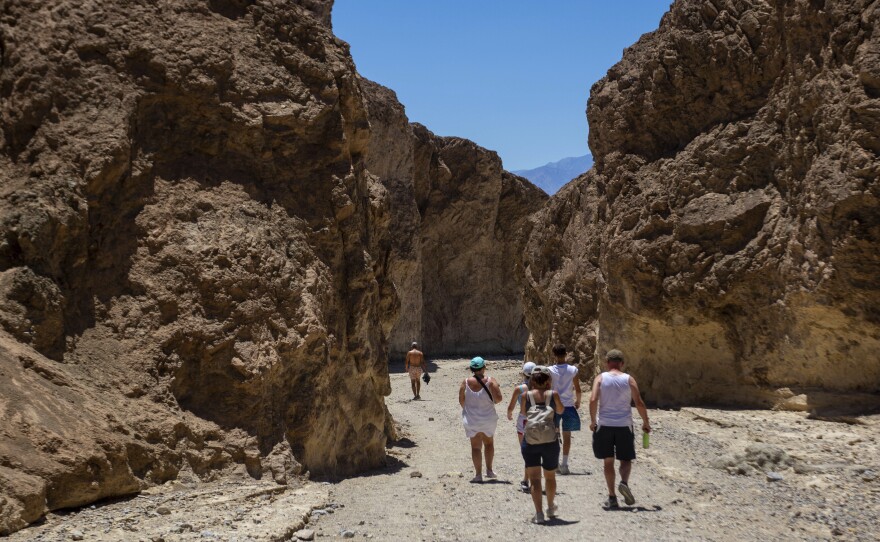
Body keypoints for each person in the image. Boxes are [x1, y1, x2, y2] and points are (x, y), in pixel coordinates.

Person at [588, 349, 651, 509]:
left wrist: (593, 421)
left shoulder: (600, 378)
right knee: (625, 459)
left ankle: (612, 497)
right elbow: (639, 402)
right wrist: (646, 422)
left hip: (604, 425)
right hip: (624, 425)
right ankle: (624, 482)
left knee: (608, 461)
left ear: (607, 363)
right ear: (622, 363)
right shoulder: (629, 379)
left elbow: (593, 399)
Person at [519, 365, 564, 524]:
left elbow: (523, 413)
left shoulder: (526, 395)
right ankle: (550, 507)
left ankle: (539, 514)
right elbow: (560, 411)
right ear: (548, 380)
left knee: (535, 479)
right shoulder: (553, 394)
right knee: (550, 477)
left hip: (531, 441)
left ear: (532, 380)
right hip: (550, 441)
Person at [459, 356, 502, 482]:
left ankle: (478, 475)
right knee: (489, 443)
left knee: (475, 447)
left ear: (471, 369)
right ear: (484, 367)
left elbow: (461, 400)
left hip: (472, 419)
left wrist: (469, 410)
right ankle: (489, 471)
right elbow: (499, 398)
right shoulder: (491, 380)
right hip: (488, 418)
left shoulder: (465, 382)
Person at [548, 344, 582, 474]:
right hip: (568, 406)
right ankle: (565, 464)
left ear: (554, 355)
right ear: (566, 354)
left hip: (555, 405)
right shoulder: (573, 370)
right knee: (567, 435)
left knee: (553, 434)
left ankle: (555, 463)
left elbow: (547, 386)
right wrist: (577, 402)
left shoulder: (550, 370)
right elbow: (578, 389)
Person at [506, 361, 536, 492]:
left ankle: (526, 480)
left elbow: (511, 406)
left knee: (527, 451)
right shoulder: (542, 387)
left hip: (523, 420)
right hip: (538, 418)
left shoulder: (519, 389)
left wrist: (509, 414)